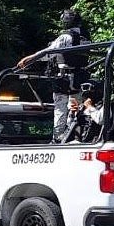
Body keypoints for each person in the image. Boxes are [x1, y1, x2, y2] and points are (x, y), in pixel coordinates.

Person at [16, 9, 90, 142]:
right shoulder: (86, 38)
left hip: (64, 78)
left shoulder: (65, 37)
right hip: (79, 78)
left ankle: (58, 138)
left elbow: (48, 52)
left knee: (60, 109)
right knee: (75, 108)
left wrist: (29, 59)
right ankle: (73, 135)